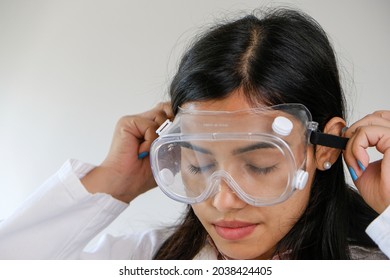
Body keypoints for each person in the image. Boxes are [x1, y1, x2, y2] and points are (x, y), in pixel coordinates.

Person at [0, 8, 389, 260]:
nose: (222, 200)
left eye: (259, 164)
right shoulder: (148, 262)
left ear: (325, 150)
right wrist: (113, 183)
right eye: (199, 163)